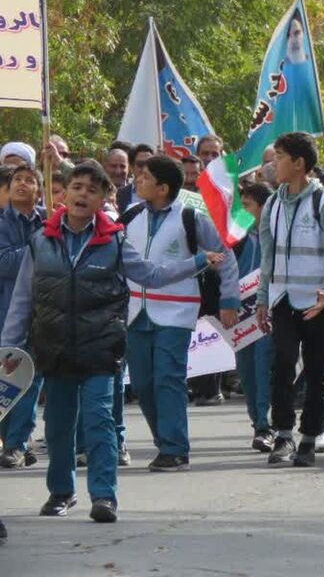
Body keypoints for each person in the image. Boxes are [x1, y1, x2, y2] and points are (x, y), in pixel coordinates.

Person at [0, 161, 222, 523]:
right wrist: (10, 349)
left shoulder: (115, 242)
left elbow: (151, 275)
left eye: (91, 189)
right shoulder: (40, 242)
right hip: (54, 349)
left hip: (101, 347)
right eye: (76, 187)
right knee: (57, 426)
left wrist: (196, 262)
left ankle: (104, 496)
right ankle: (62, 491)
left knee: (100, 420)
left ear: (103, 198)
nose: (82, 194)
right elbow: (22, 301)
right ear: (64, 195)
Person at [122, 155, 240, 472]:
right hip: (135, 313)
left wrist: (230, 298)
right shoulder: (130, 215)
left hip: (175, 312)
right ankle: (166, 442)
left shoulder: (191, 217)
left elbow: (224, 257)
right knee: (143, 384)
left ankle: (174, 448)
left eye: (144, 176)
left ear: (162, 188)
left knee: (167, 379)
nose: (137, 180)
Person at [256, 132, 324, 468]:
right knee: (281, 362)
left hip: (320, 303)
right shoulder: (273, 203)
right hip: (283, 299)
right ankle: (282, 434)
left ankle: (309, 439)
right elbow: (268, 255)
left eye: (279, 157)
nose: (273, 163)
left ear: (299, 163)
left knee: (317, 371)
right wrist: (263, 297)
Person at [0, 165, 46, 469]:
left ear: (39, 191)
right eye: (18, 179)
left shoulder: (53, 221)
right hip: (6, 311)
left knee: (31, 377)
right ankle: (12, 440)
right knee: (7, 379)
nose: (23, 184)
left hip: (43, 312)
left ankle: (17, 443)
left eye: (30, 180)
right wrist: (38, 245)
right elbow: (4, 263)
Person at [235, 181, 276, 452]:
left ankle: (265, 424)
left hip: (268, 310)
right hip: (240, 313)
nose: (242, 211)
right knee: (246, 370)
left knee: (264, 366)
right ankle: (256, 419)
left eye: (247, 206)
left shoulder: (277, 236)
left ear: (262, 208)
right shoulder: (235, 237)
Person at [115, 143, 154, 213]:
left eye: (150, 164)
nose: (145, 169)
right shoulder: (118, 195)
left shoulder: (160, 194)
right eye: (141, 165)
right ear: (131, 167)